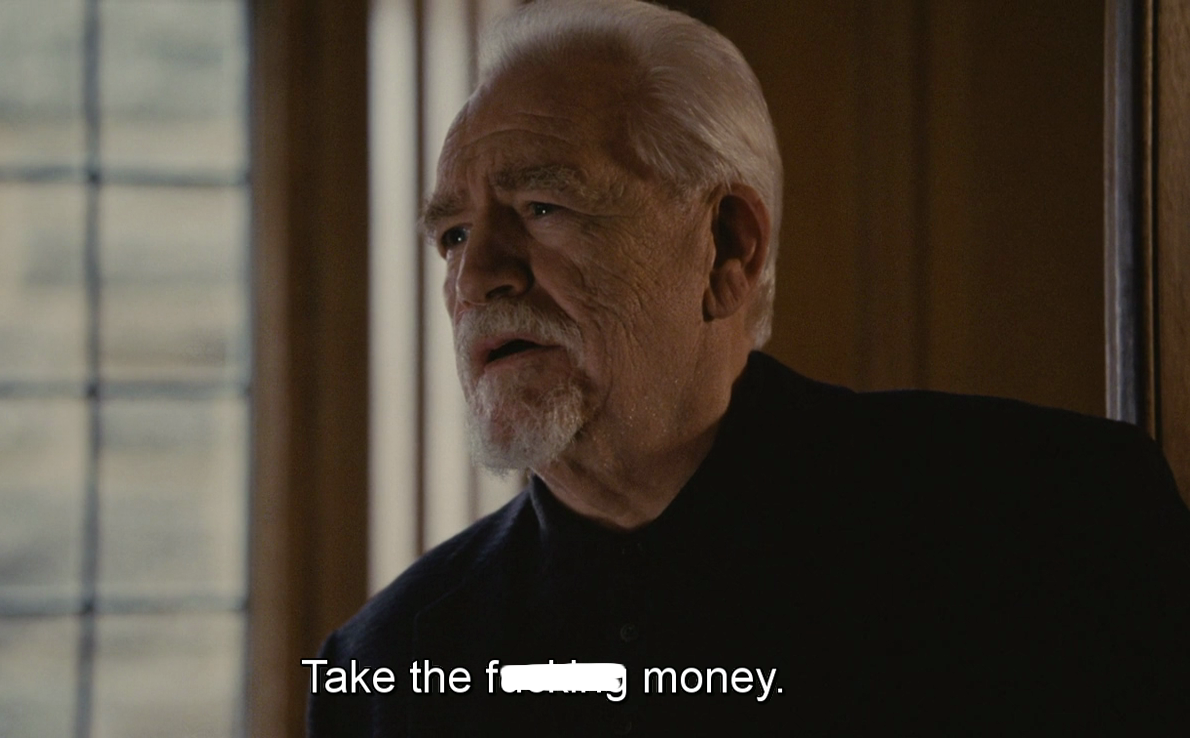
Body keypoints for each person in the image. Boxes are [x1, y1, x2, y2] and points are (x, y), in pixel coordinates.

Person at [308, 1, 1190, 734]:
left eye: (543, 206)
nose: (476, 276)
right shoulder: (386, 670)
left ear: (729, 246)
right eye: (453, 234)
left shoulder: (1051, 525)